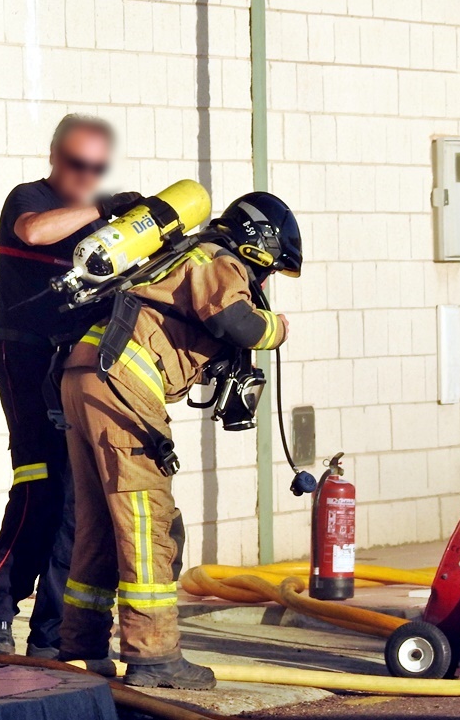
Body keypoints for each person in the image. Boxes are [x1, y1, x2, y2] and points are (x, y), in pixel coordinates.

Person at [57, 192, 302, 689]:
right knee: (151, 522)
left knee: (102, 524)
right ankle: (154, 656)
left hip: (84, 374)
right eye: (271, 270)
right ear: (259, 245)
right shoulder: (218, 260)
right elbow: (234, 320)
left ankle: (80, 647)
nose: (267, 283)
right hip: (121, 379)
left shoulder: (181, 258)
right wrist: (275, 329)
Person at [0, 114, 142, 658]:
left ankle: (51, 632)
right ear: (54, 157)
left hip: (69, 365)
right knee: (39, 481)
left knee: (76, 497)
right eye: (76, 164)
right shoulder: (29, 198)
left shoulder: (97, 228)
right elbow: (33, 233)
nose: (84, 176)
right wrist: (104, 209)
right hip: (22, 354)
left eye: (95, 169)